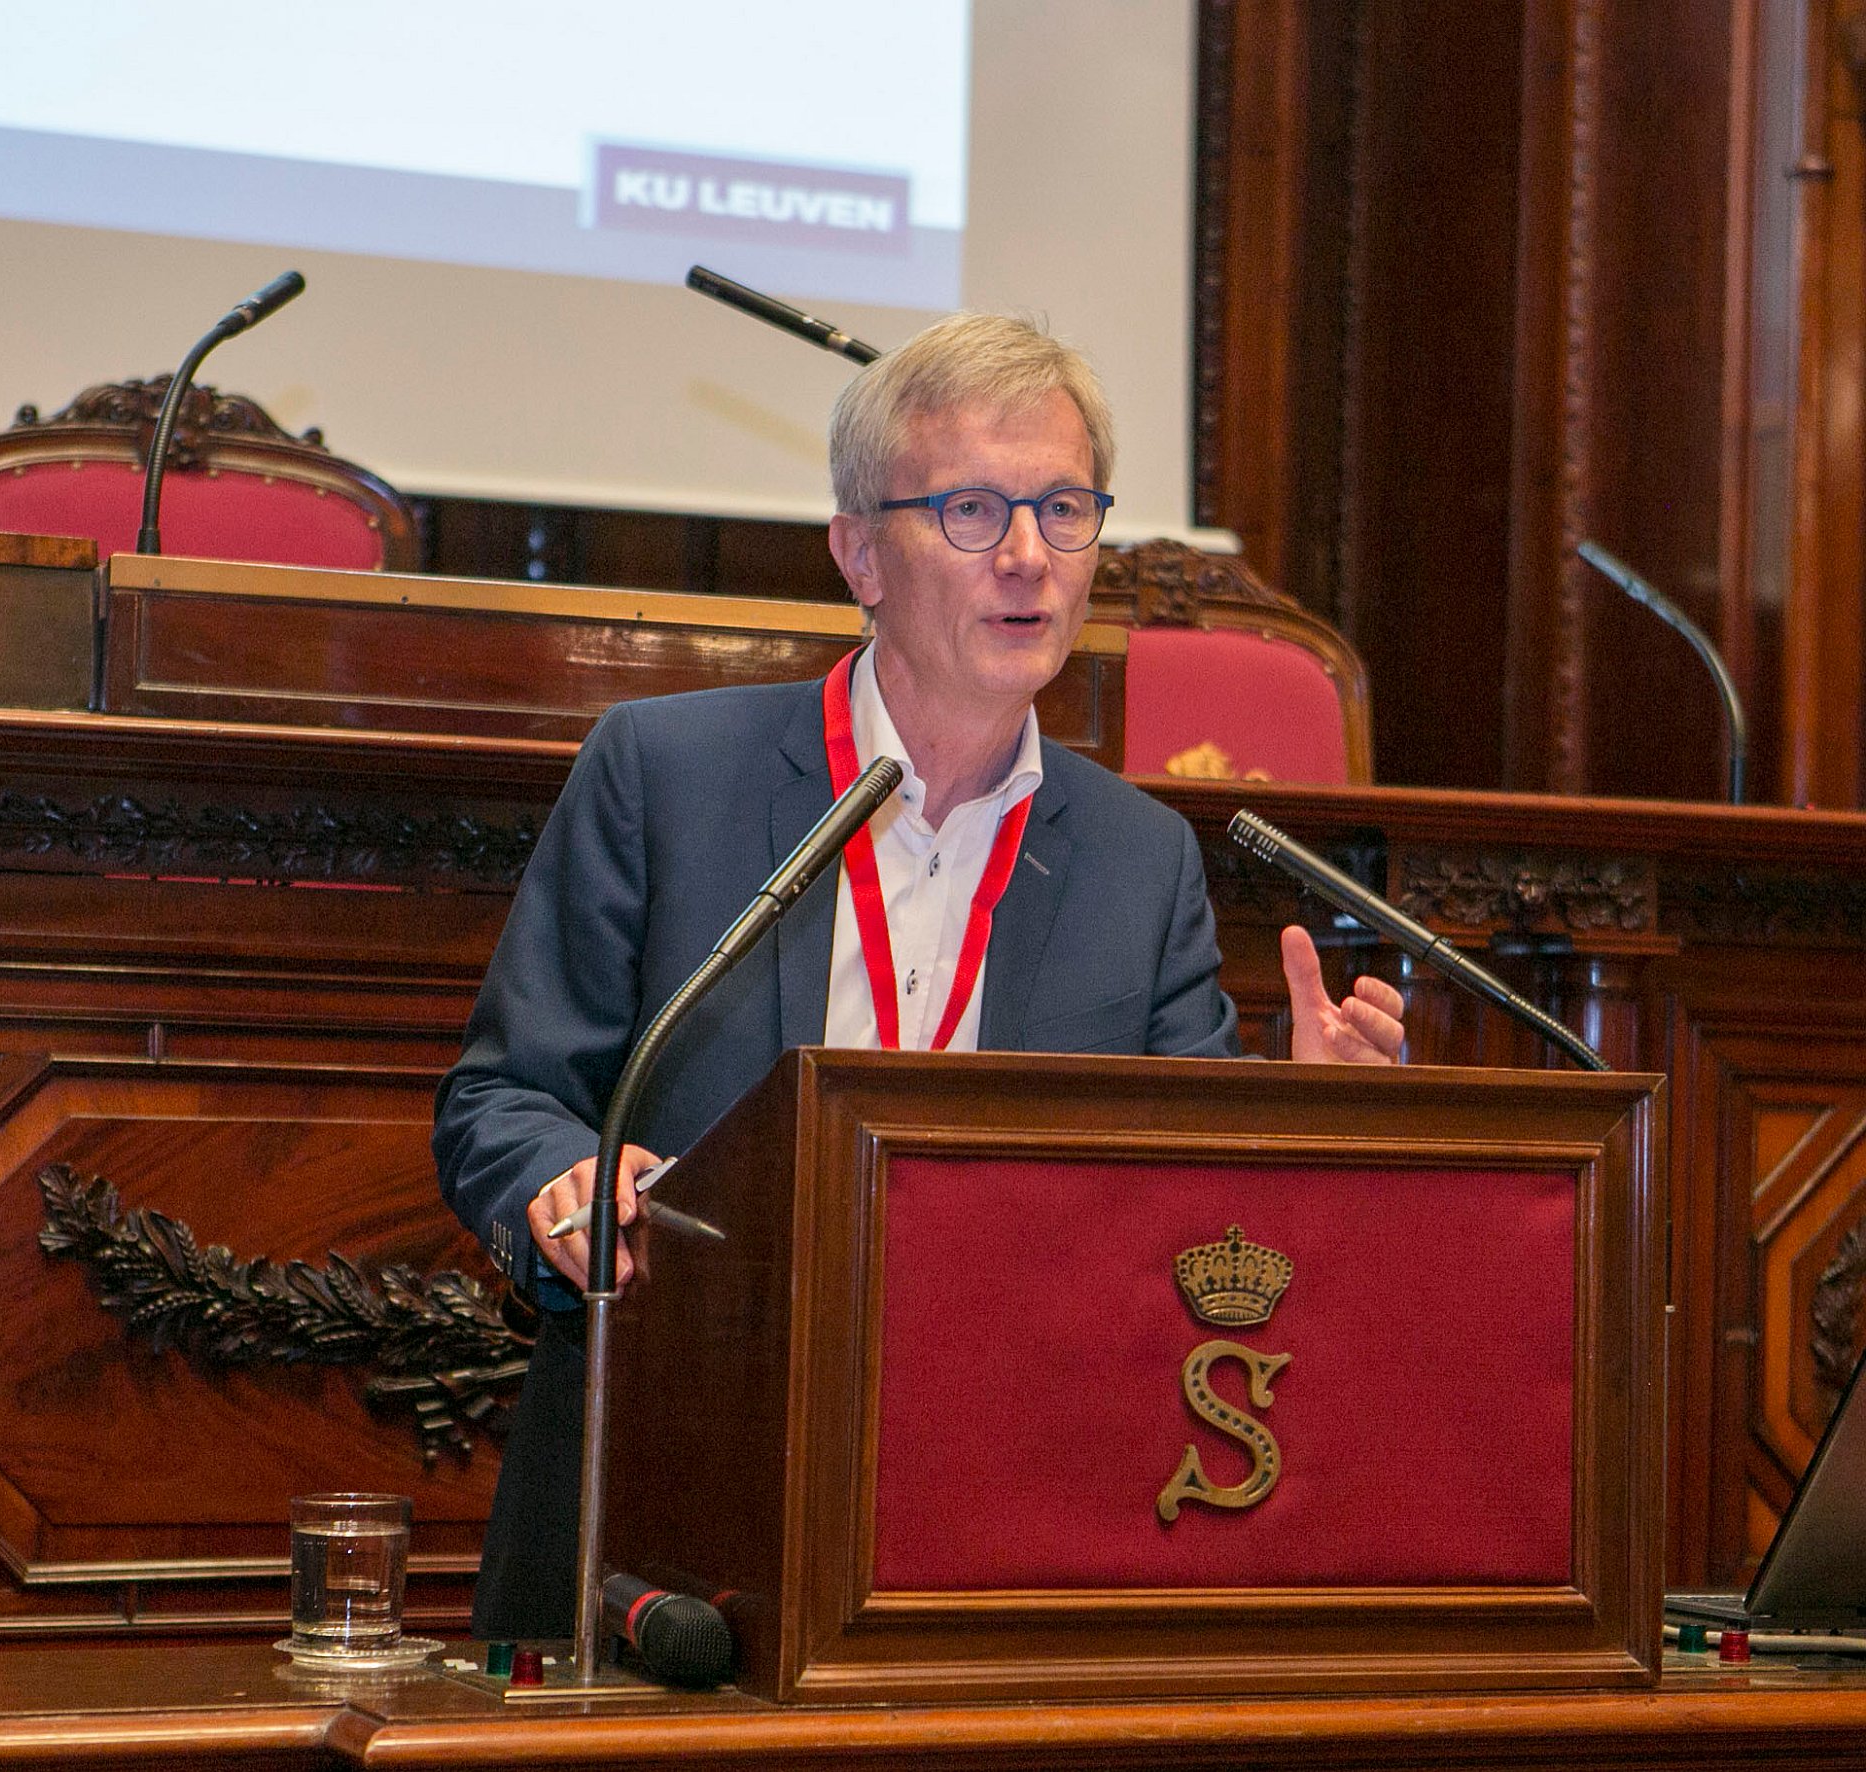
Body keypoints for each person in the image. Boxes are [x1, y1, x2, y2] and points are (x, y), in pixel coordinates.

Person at [434, 313, 1406, 1636]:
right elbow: (505, 1102)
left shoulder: (1139, 862)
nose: (1027, 558)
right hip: (670, 1500)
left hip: (1003, 1527)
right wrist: (567, 1182)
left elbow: (1191, 1215)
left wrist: (1315, 1124)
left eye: (1064, 510)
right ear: (858, 552)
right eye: (970, 511)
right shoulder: (666, 778)